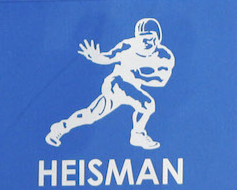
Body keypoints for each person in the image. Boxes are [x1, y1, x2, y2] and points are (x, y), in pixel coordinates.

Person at [45, 18, 175, 150]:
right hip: (116, 84)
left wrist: (139, 76)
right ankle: (137, 135)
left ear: (158, 37)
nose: (148, 42)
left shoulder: (164, 56)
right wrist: (96, 57)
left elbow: (161, 80)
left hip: (132, 88)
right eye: (143, 38)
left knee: (90, 115)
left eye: (151, 37)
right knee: (147, 104)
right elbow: (109, 57)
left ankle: (59, 129)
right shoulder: (127, 47)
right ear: (137, 37)